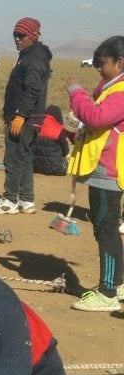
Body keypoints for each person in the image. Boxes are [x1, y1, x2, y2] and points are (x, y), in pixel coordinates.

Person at [65, 35, 124, 311]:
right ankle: (117, 283)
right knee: (108, 230)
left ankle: (107, 292)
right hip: (107, 169)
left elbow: (97, 116)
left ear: (120, 63)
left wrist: (77, 93)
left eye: (103, 64)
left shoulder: (121, 92)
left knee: (105, 230)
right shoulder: (113, 89)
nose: (99, 69)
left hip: (108, 171)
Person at [0, 18, 52, 216]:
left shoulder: (35, 58)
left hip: (24, 119)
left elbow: (32, 89)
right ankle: (26, 199)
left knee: (14, 158)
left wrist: (20, 115)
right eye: (15, 35)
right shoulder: (29, 55)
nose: (17, 39)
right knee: (25, 158)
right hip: (26, 118)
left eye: (21, 35)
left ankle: (9, 200)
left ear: (32, 35)